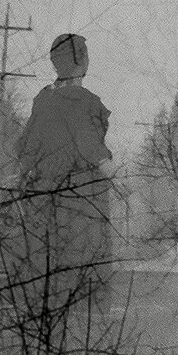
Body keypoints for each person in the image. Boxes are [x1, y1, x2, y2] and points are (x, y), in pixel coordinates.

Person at [15, 34, 113, 303]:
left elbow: (26, 147)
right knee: (80, 279)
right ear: (81, 61)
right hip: (77, 202)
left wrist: (22, 178)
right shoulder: (83, 101)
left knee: (45, 276)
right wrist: (115, 173)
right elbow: (92, 148)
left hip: (42, 199)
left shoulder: (43, 99)